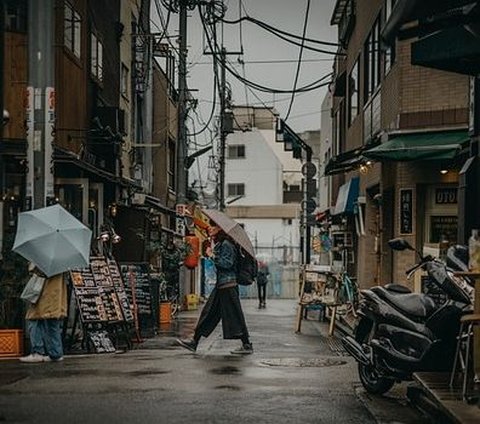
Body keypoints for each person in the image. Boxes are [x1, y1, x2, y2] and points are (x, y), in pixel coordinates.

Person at [177, 224, 253, 354]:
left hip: (228, 286)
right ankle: (194, 342)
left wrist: (212, 255)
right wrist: (212, 251)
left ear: (220, 229)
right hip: (222, 286)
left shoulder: (227, 244)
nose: (210, 229)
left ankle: (246, 344)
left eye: (213, 227)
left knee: (234, 315)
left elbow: (227, 264)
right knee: (208, 314)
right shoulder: (222, 244)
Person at [19, 265, 67, 363]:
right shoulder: (62, 259)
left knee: (33, 318)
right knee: (52, 321)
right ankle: (56, 353)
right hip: (56, 293)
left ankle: (37, 352)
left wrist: (31, 267)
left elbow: (38, 271)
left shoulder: (45, 257)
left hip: (44, 292)